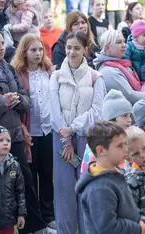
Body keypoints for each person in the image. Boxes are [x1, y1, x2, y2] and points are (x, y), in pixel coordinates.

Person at [0, 26, 48, 234]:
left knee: (25, 181)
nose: (1, 48)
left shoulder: (7, 67)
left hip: (13, 135)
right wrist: (3, 102)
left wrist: (17, 100)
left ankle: (34, 227)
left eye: (2, 44)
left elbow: (25, 99)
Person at [49, 31, 105, 234]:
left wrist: (74, 128)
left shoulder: (95, 77)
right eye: (69, 48)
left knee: (87, 189)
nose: (72, 52)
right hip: (61, 140)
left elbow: (96, 111)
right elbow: (54, 111)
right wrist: (66, 139)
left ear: (85, 50)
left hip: (87, 138)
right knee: (64, 192)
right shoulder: (55, 77)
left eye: (77, 48)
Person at [10, 33, 56, 231]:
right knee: (31, 175)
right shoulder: (18, 73)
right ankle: (34, 216)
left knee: (47, 174)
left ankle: (49, 214)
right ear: (24, 52)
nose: (38, 54)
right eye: (33, 50)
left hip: (47, 130)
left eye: (40, 50)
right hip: (29, 132)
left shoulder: (48, 71)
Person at [75, 121, 145, 234]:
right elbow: (108, 228)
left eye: (125, 144)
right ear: (101, 150)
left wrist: (138, 220)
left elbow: (123, 210)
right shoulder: (100, 188)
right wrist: (138, 229)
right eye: (119, 146)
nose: (126, 150)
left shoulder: (114, 172)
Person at [80, 89, 133, 177]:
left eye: (130, 115)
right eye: (125, 116)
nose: (129, 120)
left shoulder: (127, 137)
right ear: (111, 118)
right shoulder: (98, 143)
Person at [94, 30, 145, 104]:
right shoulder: (109, 71)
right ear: (107, 48)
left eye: (124, 41)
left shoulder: (122, 64)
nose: (124, 45)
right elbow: (130, 96)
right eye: (119, 42)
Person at [0, 124, 26, 234]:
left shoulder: (15, 165)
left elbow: (20, 192)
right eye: (0, 140)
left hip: (7, 221)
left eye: (8, 140)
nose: (5, 143)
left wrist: (21, 214)